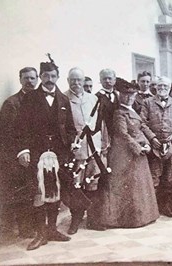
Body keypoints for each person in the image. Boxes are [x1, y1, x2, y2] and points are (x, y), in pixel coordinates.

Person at [16, 55, 76, 250]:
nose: (49, 79)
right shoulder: (30, 98)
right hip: (36, 151)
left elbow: (70, 128)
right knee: (39, 191)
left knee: (56, 190)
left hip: (59, 153)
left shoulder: (64, 99)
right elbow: (22, 126)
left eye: (52, 75)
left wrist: (71, 145)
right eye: (45, 76)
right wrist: (24, 149)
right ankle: (41, 233)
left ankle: (52, 229)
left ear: (57, 77)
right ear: (41, 77)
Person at [101, 78, 159, 228]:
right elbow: (122, 134)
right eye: (126, 95)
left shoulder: (132, 111)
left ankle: (144, 216)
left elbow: (140, 128)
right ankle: (128, 219)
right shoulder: (119, 113)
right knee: (128, 185)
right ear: (120, 95)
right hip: (125, 153)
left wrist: (147, 143)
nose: (129, 98)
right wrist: (138, 148)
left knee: (139, 185)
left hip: (137, 151)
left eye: (132, 96)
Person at [0, 67, 38, 238]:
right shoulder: (12, 103)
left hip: (39, 155)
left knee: (38, 190)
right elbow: (6, 135)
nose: (30, 81)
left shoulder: (41, 100)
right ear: (20, 80)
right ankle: (25, 229)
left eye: (33, 78)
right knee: (24, 193)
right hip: (19, 157)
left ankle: (37, 226)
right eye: (26, 78)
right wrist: (18, 155)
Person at [64, 68, 105, 235]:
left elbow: (99, 125)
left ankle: (93, 220)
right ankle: (75, 219)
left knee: (93, 183)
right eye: (73, 80)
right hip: (76, 150)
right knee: (76, 184)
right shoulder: (63, 99)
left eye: (79, 80)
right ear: (68, 81)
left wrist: (102, 146)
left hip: (93, 149)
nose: (76, 83)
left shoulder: (93, 98)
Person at [140, 76, 172, 218]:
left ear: (169, 88)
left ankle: (166, 206)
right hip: (155, 146)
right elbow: (142, 123)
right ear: (155, 88)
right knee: (154, 177)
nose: (162, 89)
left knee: (169, 177)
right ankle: (152, 208)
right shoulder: (147, 102)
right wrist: (152, 138)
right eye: (160, 86)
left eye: (165, 86)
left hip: (171, 146)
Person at [96, 69, 118, 163]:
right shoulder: (97, 97)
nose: (107, 81)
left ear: (114, 80)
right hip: (105, 133)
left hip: (118, 132)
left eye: (110, 78)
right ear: (100, 80)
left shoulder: (118, 95)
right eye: (104, 79)